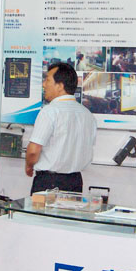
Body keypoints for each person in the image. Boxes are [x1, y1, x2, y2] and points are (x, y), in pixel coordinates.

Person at [26, 62, 97, 193]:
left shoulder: (50, 111)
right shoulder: (87, 114)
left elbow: (33, 151)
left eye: (47, 80)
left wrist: (29, 165)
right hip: (76, 182)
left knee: (40, 208)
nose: (43, 85)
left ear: (60, 86)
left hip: (49, 183)